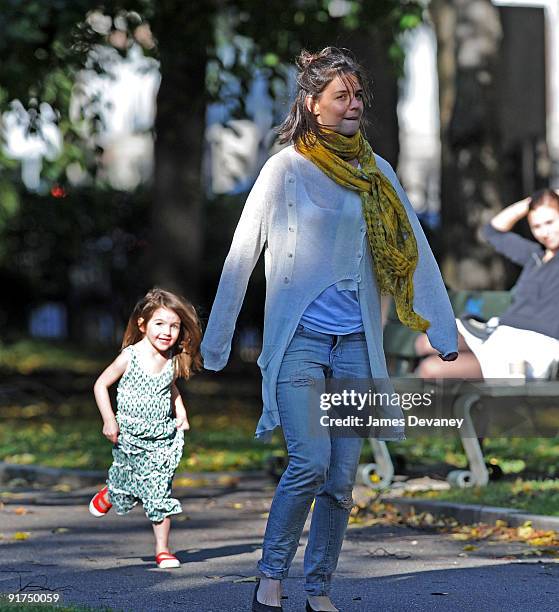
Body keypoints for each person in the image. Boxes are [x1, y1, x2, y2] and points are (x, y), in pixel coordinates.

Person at [201, 47, 457, 612]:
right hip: (300, 346)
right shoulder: (285, 168)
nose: (354, 106)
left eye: (358, 96)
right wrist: (216, 340)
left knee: (341, 481)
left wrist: (444, 330)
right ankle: (271, 577)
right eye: (342, 97)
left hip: (356, 349)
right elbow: (242, 255)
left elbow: (415, 252)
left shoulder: (376, 171)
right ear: (312, 105)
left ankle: (318, 589)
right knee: (309, 464)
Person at [88, 288, 202, 569]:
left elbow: (170, 389)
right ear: (143, 325)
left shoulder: (173, 361)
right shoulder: (131, 356)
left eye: (174, 326)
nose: (167, 332)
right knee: (128, 485)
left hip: (162, 437)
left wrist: (181, 412)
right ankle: (111, 493)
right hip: (129, 435)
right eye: (160, 324)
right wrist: (108, 419)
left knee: (159, 490)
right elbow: (101, 385)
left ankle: (163, 550)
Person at [416, 189, 559, 381]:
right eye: (537, 226)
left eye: (550, 222)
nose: (544, 232)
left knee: (431, 369)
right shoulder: (534, 256)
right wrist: (532, 202)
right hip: (500, 334)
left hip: (534, 347)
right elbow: (492, 232)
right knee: (425, 343)